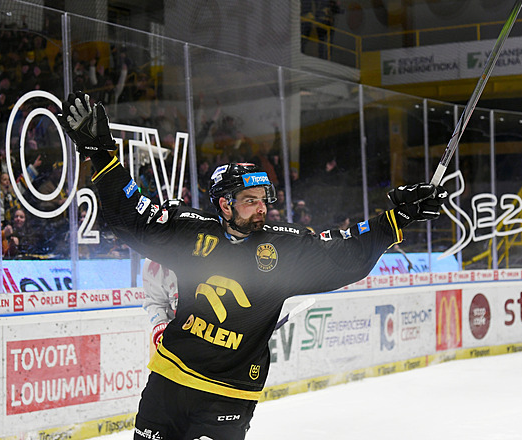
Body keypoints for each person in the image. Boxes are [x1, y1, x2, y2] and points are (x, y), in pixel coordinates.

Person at [58, 91, 447, 440]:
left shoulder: (282, 248)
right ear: (224, 204)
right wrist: (102, 155)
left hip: (231, 393)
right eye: (250, 200)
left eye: (264, 198)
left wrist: (396, 219)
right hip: (170, 380)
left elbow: (345, 254)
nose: (262, 207)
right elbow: (132, 216)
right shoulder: (190, 233)